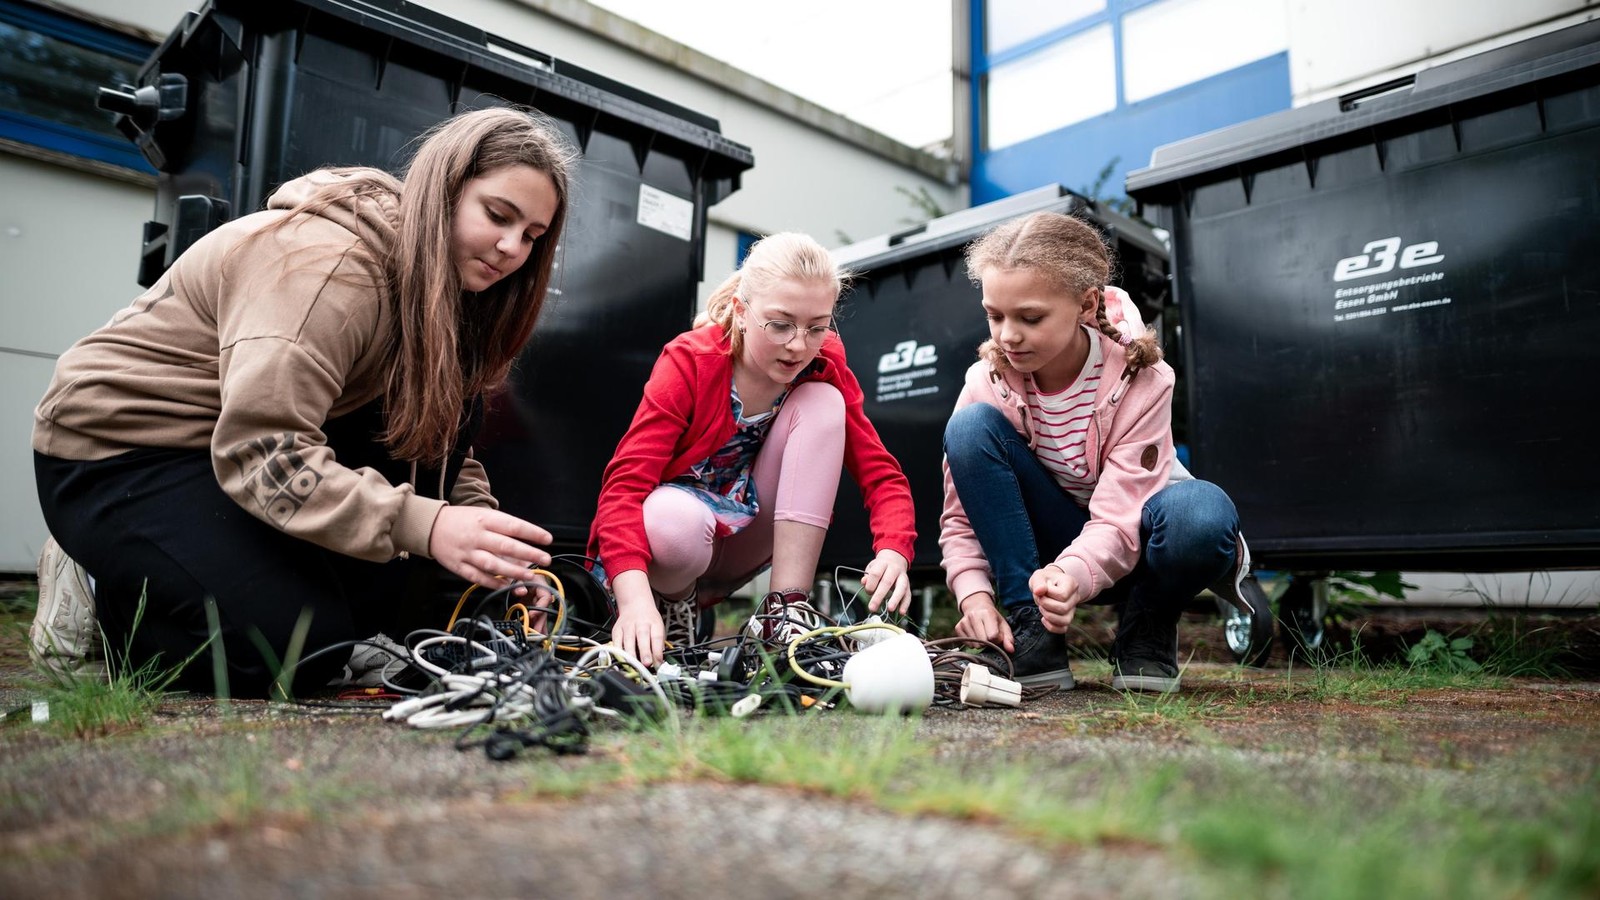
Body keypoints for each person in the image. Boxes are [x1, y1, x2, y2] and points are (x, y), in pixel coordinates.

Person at [30, 107, 577, 697]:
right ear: (442, 191)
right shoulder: (328, 268)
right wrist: (428, 523)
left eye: (532, 236)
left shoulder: (449, 286)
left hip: (233, 453)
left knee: (407, 623)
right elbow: (263, 450)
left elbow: (443, 446)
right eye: (498, 215)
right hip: (122, 451)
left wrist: (497, 558)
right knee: (294, 651)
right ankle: (99, 587)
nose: (510, 247)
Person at [939, 211, 1249, 693]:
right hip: (1047, 561)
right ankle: (1033, 634)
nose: (1007, 336)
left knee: (1201, 514)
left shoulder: (1142, 378)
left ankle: (1146, 629)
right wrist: (974, 597)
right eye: (994, 315)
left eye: (1030, 317)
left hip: (1137, 545)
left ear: (1086, 304)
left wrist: (1074, 572)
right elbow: (962, 517)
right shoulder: (987, 382)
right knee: (968, 429)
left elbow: (1123, 514)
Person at [589, 232, 917, 668]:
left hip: (751, 534)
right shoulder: (690, 361)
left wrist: (894, 549)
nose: (799, 345)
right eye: (780, 324)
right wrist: (633, 601)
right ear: (742, 313)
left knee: (823, 402)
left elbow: (882, 474)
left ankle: (783, 616)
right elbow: (624, 487)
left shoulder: (824, 364)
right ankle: (672, 604)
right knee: (672, 522)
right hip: (674, 544)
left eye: (816, 327)